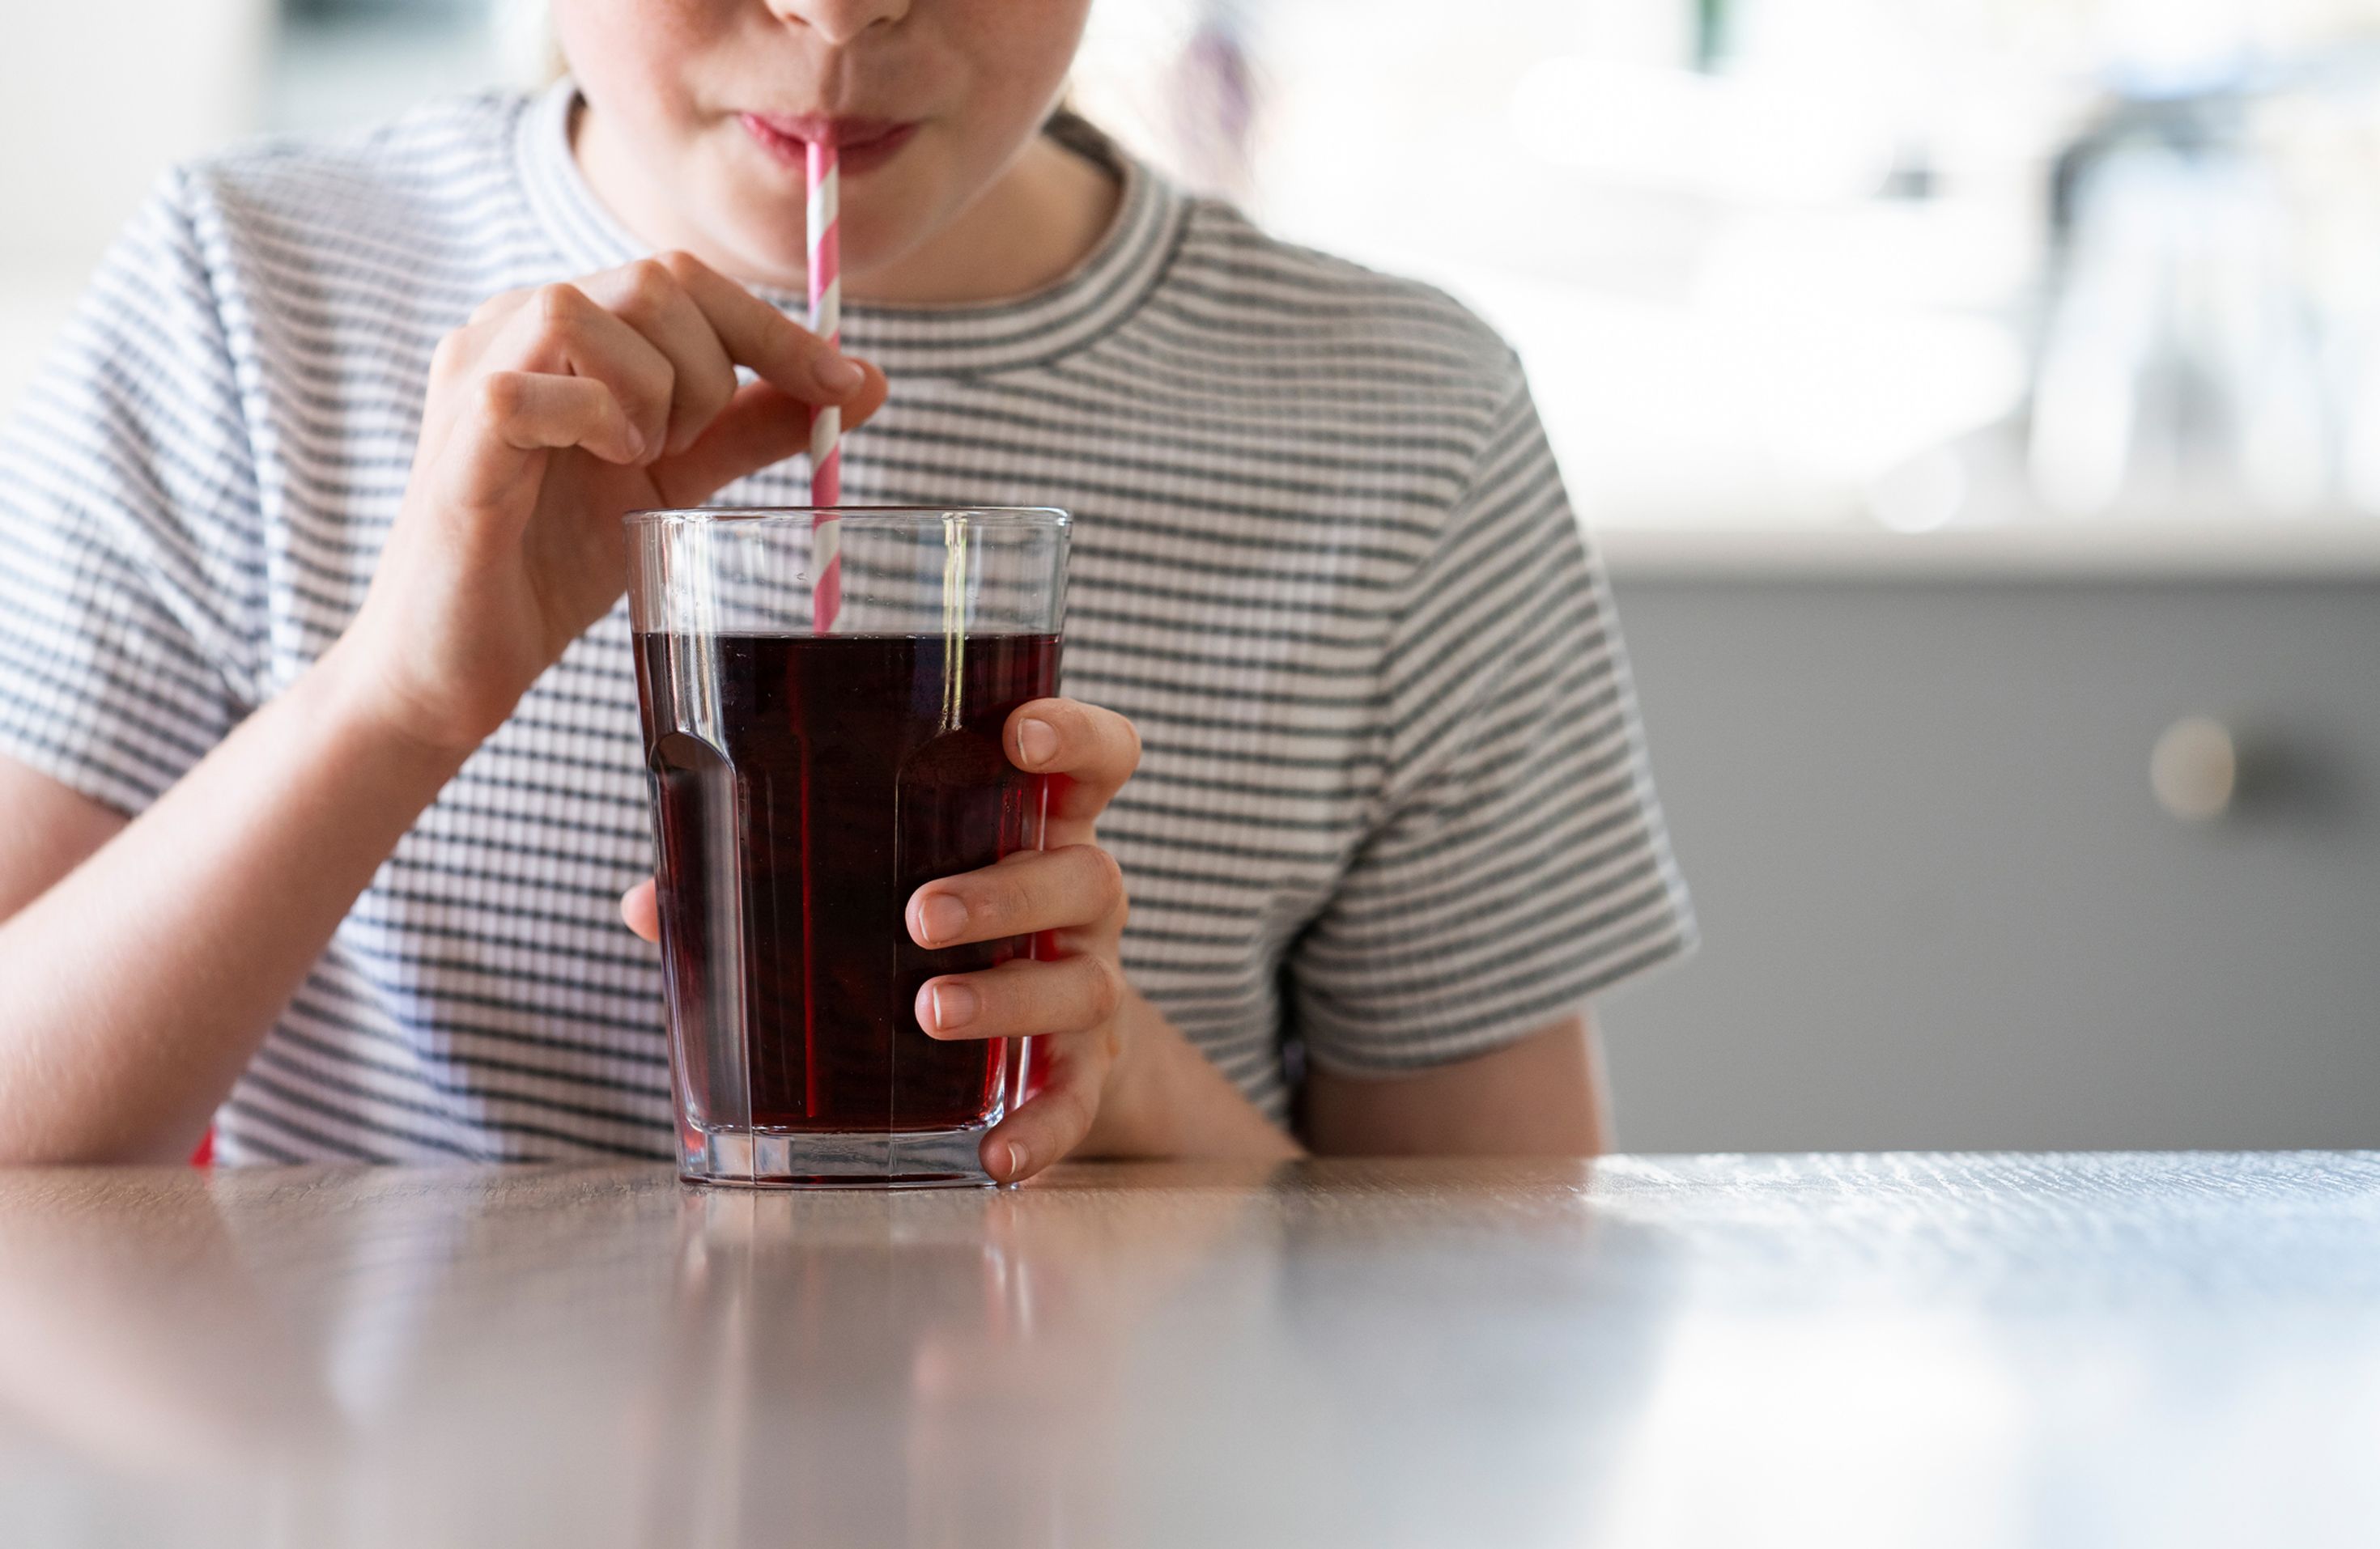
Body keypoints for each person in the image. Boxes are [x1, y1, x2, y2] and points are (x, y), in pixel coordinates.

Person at [0, 0, 1692, 1176]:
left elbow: (1503, 1299)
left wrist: (1126, 1096)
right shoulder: (249, 296)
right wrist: (395, 699)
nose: (835, 12)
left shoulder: (1405, 422)